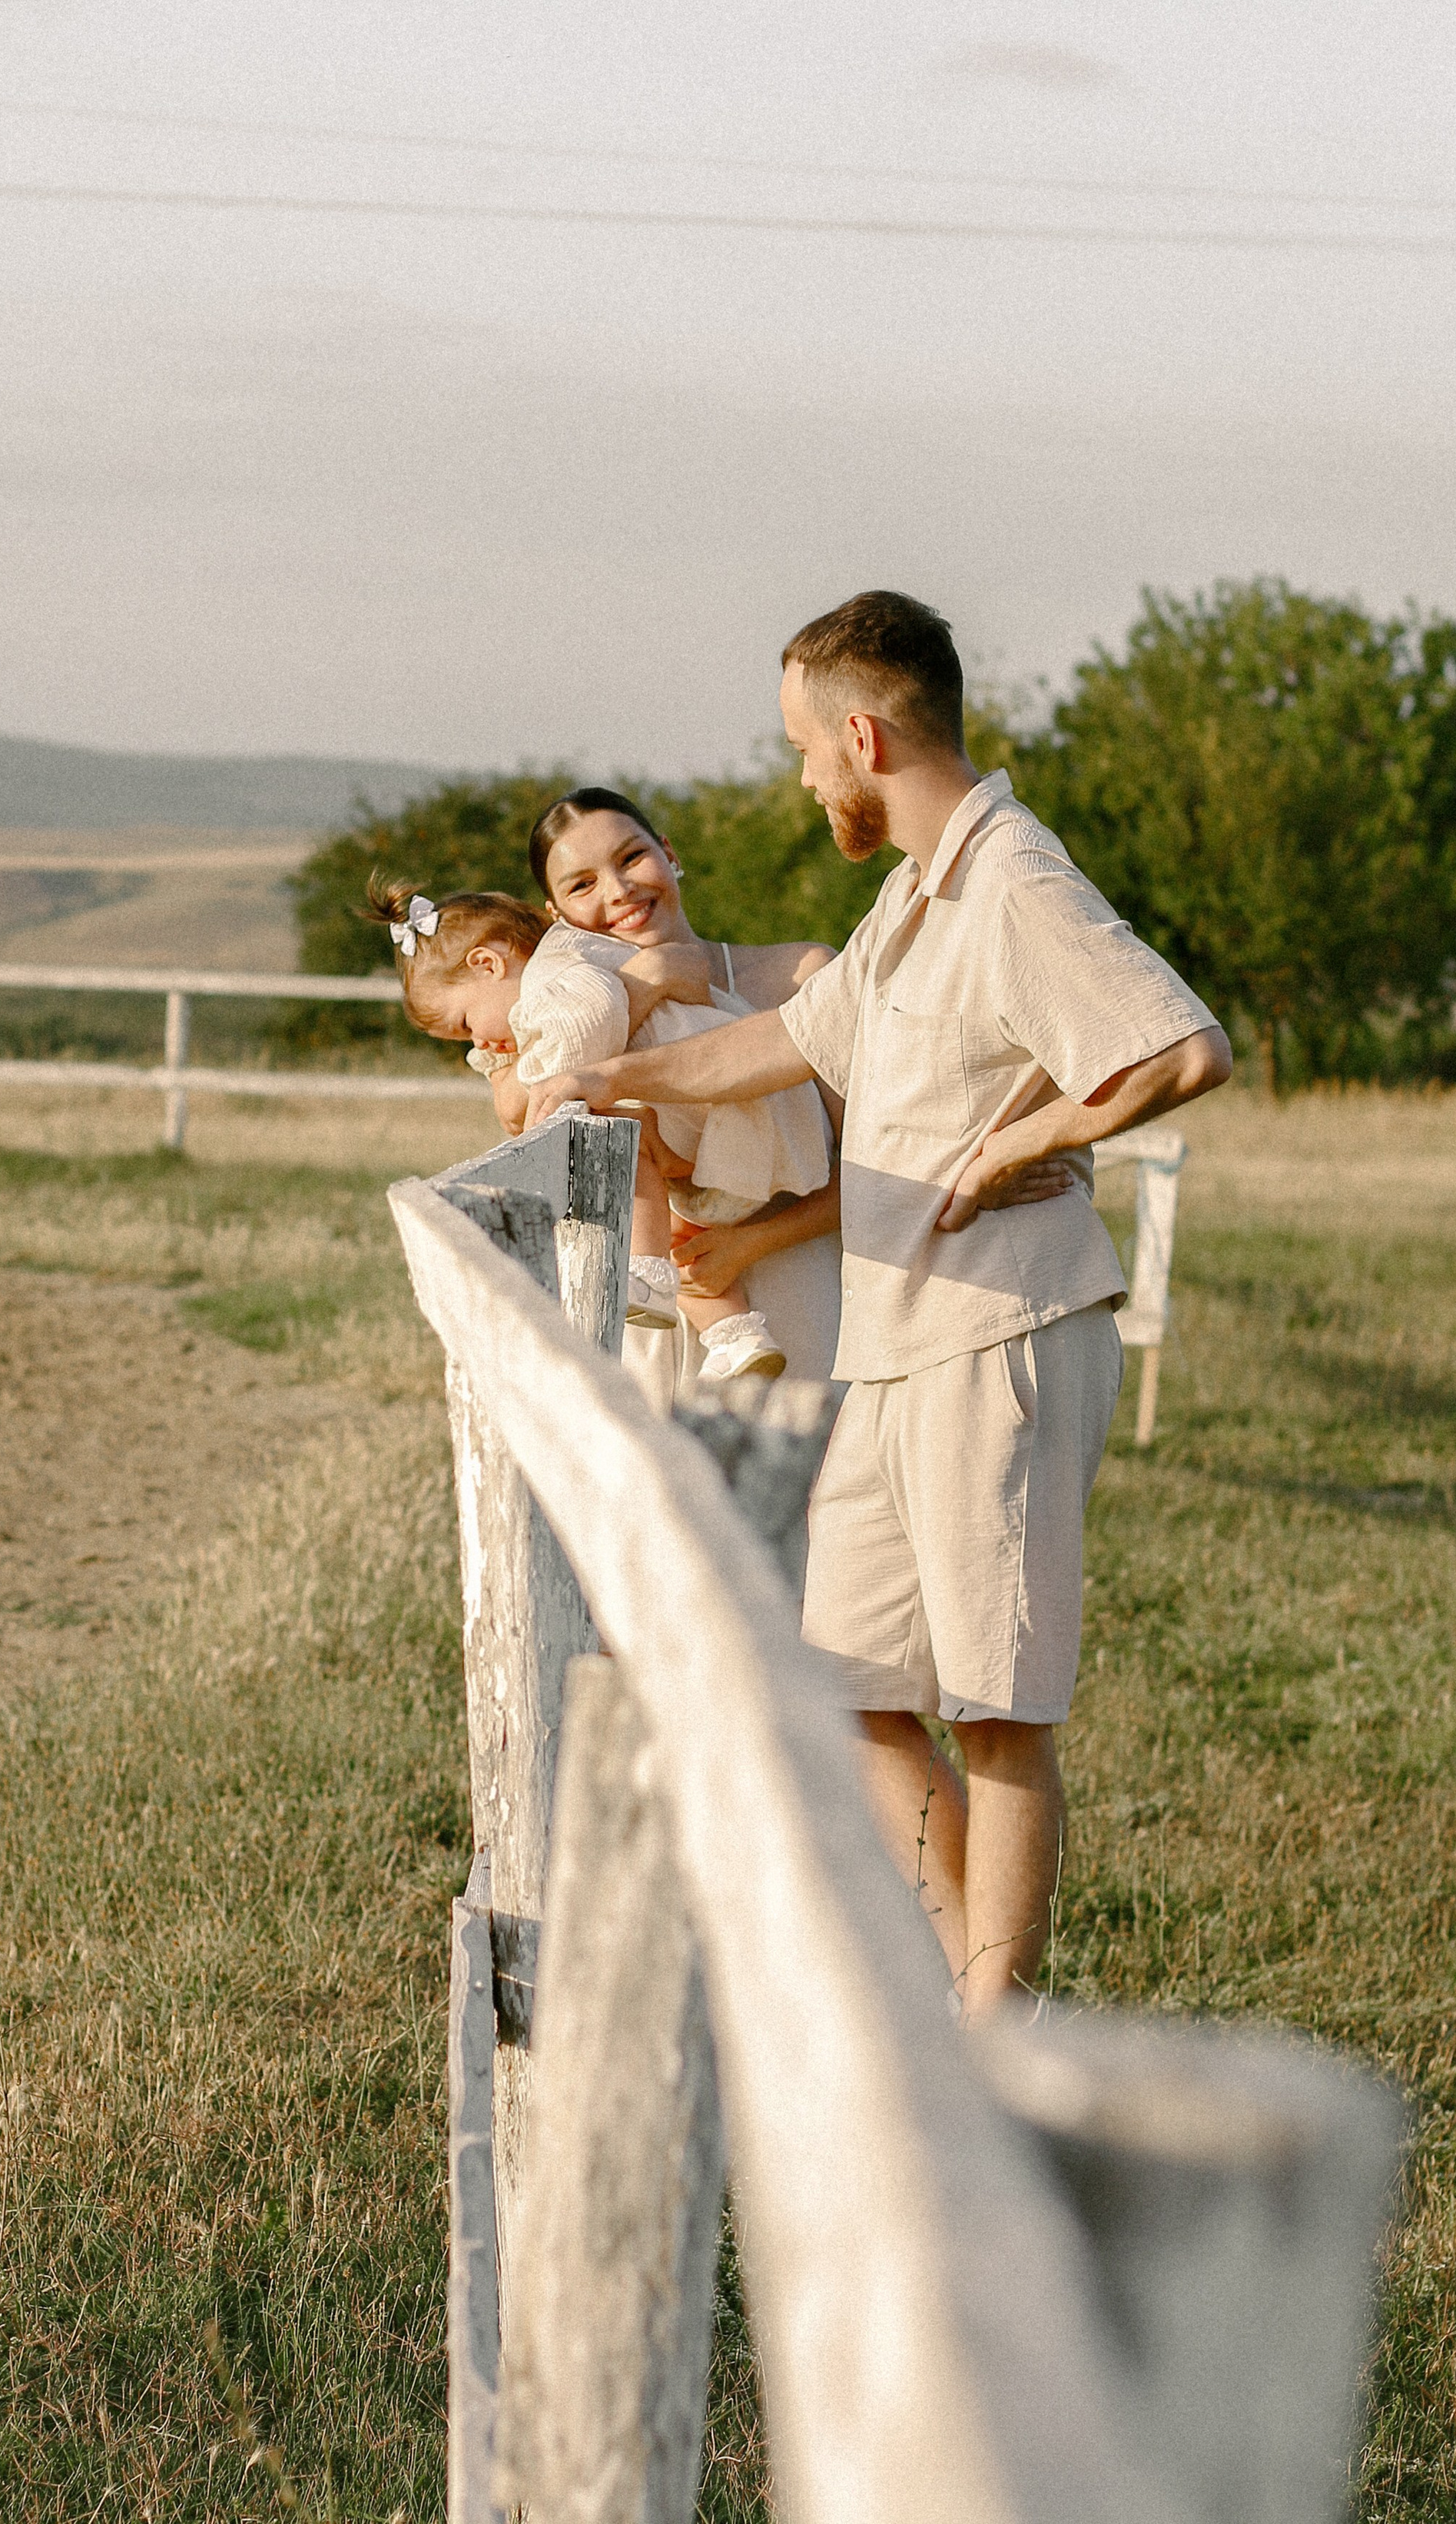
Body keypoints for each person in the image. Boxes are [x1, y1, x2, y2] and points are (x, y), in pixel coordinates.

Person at [525, 594, 1231, 2019]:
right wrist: (608, 1082)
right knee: (851, 1676)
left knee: (1000, 1710)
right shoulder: (914, 892)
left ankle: (991, 2040)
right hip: (898, 1344)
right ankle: (970, 2001)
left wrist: (1022, 1145)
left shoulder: (1011, 876)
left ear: (863, 734)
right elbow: (784, 1043)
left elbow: (1180, 1046)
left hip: (1003, 1334)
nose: (800, 781)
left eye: (803, 749)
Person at [363, 877, 832, 1378]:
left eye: (465, 1026)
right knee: (677, 1230)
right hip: (727, 1137)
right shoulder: (564, 972)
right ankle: (736, 1335)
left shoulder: (554, 975)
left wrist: (552, 1087)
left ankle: (646, 1276)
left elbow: (593, 1018)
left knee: (607, 1133)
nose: (478, 1044)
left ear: (487, 964)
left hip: (729, 1118)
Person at [528, 786, 845, 1389]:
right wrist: (643, 985)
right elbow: (530, 1124)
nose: (618, 892)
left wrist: (748, 1245)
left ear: (669, 853)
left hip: (790, 1286)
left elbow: (868, 1165)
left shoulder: (800, 973)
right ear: (556, 916)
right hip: (642, 1327)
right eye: (582, 885)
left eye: (630, 858)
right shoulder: (565, 1020)